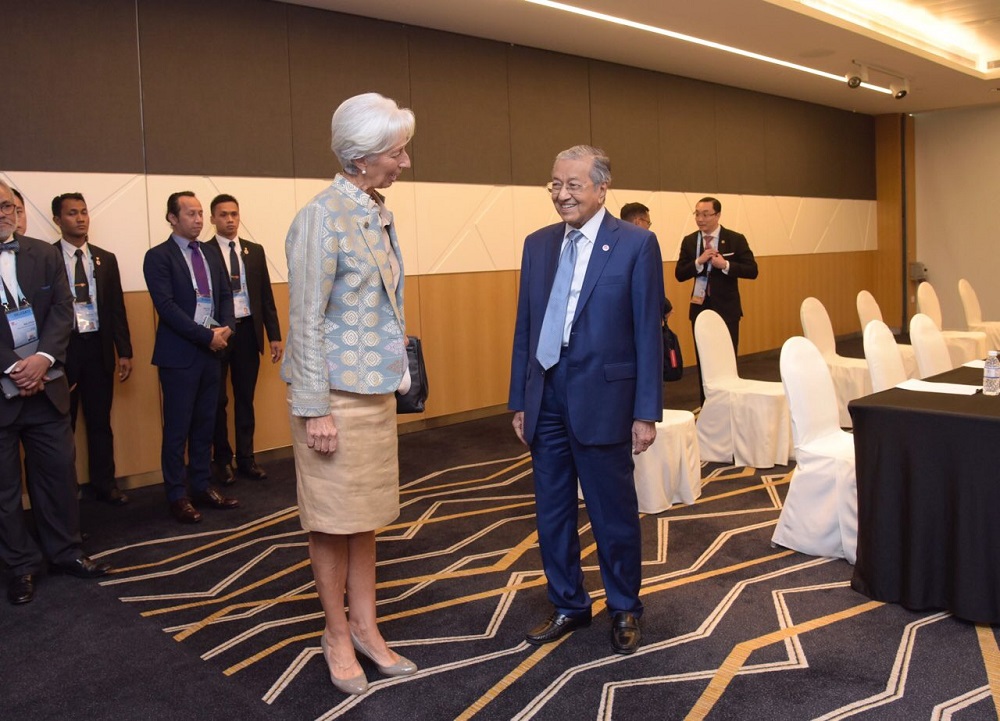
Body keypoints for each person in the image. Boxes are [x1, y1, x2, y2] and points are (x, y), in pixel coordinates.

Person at [282, 92, 418, 696]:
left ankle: (366, 625)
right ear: (362, 158)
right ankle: (335, 632)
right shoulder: (320, 215)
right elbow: (305, 318)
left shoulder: (374, 211)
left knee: (363, 519)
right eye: (397, 151)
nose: (405, 162)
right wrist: (314, 409)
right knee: (331, 521)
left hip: (374, 393)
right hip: (332, 400)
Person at [509, 145, 664, 655]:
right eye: (555, 184)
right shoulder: (537, 244)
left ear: (602, 188)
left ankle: (624, 607)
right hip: (546, 396)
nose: (561, 194)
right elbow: (526, 330)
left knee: (611, 512)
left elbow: (647, 331)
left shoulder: (636, 245)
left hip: (606, 398)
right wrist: (520, 399)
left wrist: (646, 411)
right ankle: (570, 604)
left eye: (573, 185)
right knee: (551, 512)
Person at [0, 180, 111, 606]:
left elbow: (64, 310)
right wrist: (12, 366)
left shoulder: (43, 254)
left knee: (59, 476)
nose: (4, 212)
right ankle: (20, 566)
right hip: (2, 391)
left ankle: (65, 552)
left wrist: (42, 359)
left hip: (46, 387)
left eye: (9, 205)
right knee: (6, 489)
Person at [143, 192, 239, 524]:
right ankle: (176, 495)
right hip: (181, 355)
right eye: (190, 214)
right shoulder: (158, 257)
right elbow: (166, 307)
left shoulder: (211, 253)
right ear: (172, 218)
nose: (198, 219)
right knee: (178, 429)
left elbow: (226, 295)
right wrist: (206, 337)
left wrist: (226, 330)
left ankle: (201, 485)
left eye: (200, 214)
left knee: (205, 424)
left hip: (213, 351)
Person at [52, 192, 133, 506]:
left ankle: (105, 483)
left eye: (84, 212)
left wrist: (123, 350)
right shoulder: (47, 257)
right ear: (58, 220)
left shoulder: (104, 258)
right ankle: (65, 492)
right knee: (63, 426)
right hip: (63, 353)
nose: (81, 218)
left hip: (98, 349)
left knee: (100, 421)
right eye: (72, 213)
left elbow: (116, 308)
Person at [206, 194, 282, 484]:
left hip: (249, 330)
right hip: (218, 332)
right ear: (213, 219)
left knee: (245, 398)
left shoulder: (254, 251)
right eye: (223, 214)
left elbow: (265, 295)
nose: (229, 220)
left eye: (234, 214)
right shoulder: (204, 251)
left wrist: (273, 335)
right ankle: (222, 460)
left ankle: (246, 458)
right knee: (217, 400)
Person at [674, 196, 758, 402]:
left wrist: (726, 266)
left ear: (718, 215)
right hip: (700, 308)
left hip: (727, 309)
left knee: (727, 359)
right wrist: (698, 262)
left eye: (706, 214)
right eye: (697, 214)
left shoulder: (735, 239)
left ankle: (730, 404)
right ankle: (707, 406)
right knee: (704, 360)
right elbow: (680, 274)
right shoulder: (690, 240)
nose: (700, 219)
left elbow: (752, 270)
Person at [621, 202, 672, 318]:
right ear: (638, 221)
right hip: (644, 310)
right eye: (648, 223)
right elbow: (653, 280)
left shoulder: (611, 241)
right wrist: (664, 307)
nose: (648, 227)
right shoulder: (646, 241)